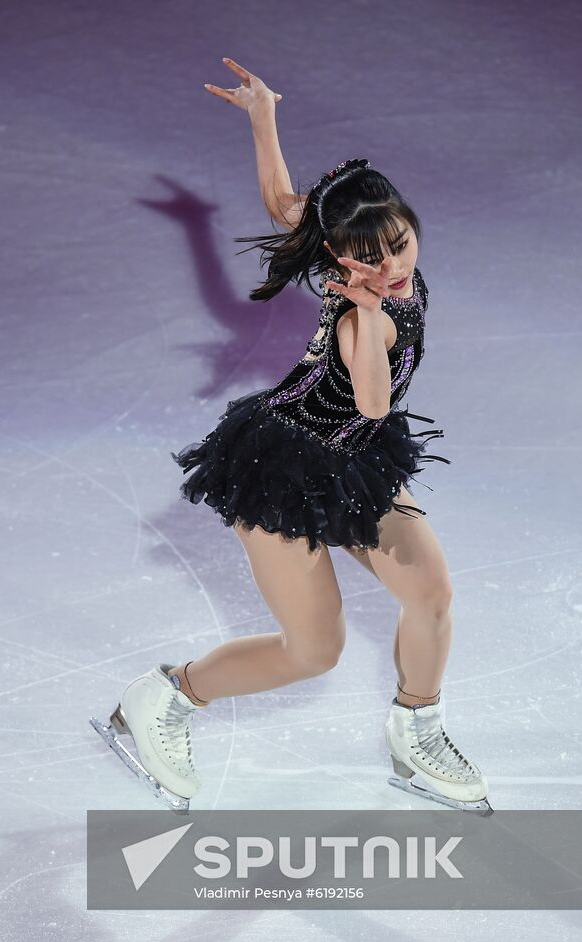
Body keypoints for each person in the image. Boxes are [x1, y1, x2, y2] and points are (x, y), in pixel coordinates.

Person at [91, 57, 492, 816]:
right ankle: (167, 697)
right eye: (367, 259)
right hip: (282, 466)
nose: (390, 267)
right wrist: (369, 319)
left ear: (407, 223)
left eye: (400, 244)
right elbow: (372, 403)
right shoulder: (357, 315)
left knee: (432, 594)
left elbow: (284, 203)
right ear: (339, 258)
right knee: (315, 651)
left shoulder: (366, 245)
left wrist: (263, 114)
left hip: (353, 461)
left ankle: (418, 732)